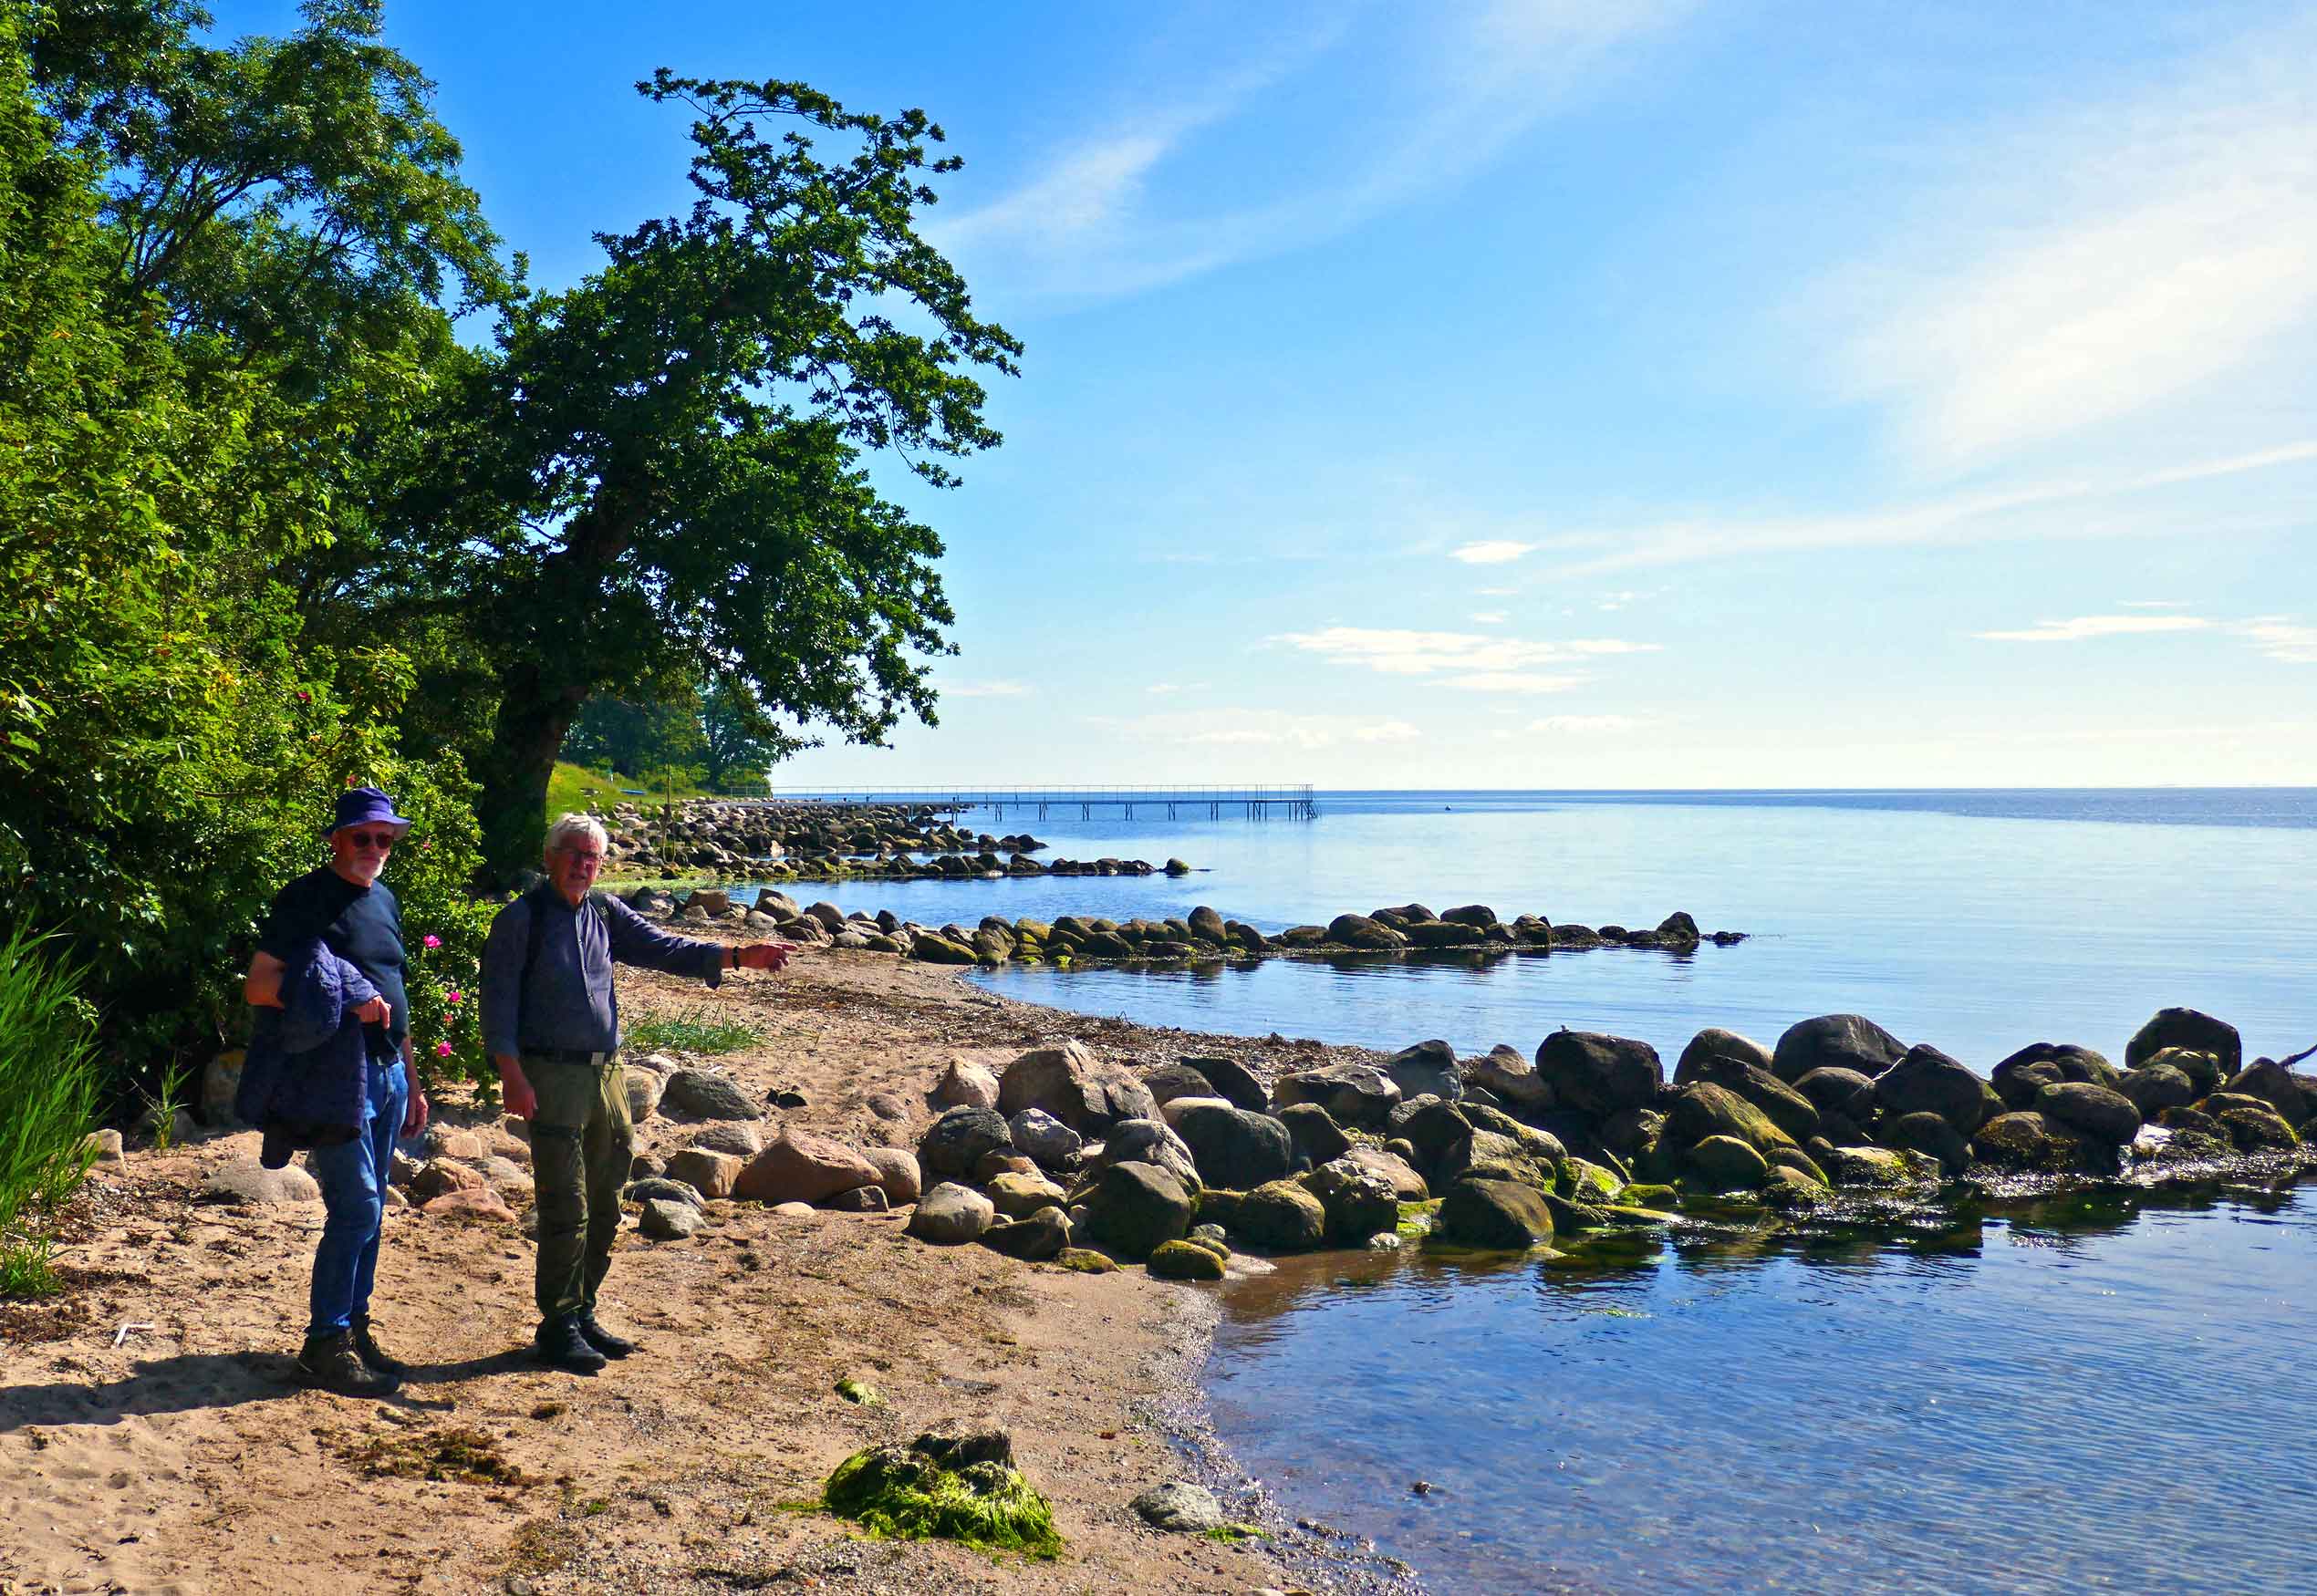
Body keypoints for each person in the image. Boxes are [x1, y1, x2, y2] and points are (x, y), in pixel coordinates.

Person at [481, 813, 794, 1373]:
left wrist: (737, 956)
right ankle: (557, 1325)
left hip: (607, 1076)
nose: (582, 864)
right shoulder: (520, 919)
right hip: (550, 1078)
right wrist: (511, 1074)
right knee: (566, 1204)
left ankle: (583, 1310)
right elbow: (497, 1003)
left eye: (592, 856)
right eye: (573, 853)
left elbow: (662, 947)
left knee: (607, 1200)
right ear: (550, 858)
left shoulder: (603, 912)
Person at [243, 785, 431, 1397]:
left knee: (371, 1215)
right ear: (336, 840)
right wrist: (345, 1000)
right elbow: (260, 986)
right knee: (358, 1207)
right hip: (334, 1078)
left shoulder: (385, 900)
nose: (375, 847)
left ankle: (354, 1328)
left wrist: (414, 1081)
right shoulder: (304, 898)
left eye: (384, 838)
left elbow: (396, 992)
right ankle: (324, 1344)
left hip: (389, 1074)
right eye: (362, 837)